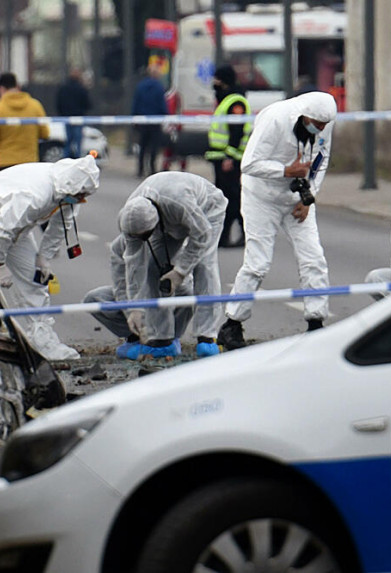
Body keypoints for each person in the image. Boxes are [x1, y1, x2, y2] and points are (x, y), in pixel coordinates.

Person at [217, 91, 337, 351]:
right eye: (317, 125)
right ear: (305, 115)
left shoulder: (325, 121)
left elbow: (322, 159)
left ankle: (316, 323)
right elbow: (248, 163)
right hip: (261, 197)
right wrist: (285, 171)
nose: (321, 130)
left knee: (314, 258)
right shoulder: (275, 118)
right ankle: (232, 324)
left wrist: (309, 197)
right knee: (258, 264)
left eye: (324, 126)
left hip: (296, 198)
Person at [0, 155, 101, 362]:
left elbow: (61, 224)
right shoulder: (34, 194)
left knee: (35, 280)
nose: (81, 200)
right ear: (70, 188)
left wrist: (44, 258)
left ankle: (42, 340)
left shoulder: (71, 191)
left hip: (14, 223)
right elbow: (2, 229)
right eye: (80, 195)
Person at [117, 172, 228, 358]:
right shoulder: (130, 219)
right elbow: (134, 264)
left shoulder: (179, 203)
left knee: (204, 266)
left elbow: (202, 235)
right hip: (167, 219)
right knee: (154, 269)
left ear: (154, 223)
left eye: (146, 234)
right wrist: (135, 307)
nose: (143, 240)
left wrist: (180, 272)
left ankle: (207, 338)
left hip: (207, 209)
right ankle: (162, 339)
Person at [83, 233, 194, 360]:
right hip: (136, 295)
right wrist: (133, 315)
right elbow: (120, 287)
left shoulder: (170, 242)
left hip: (164, 296)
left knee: (189, 293)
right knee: (93, 299)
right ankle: (135, 337)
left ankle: (170, 339)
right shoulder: (119, 247)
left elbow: (183, 285)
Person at [205, 64, 251, 248]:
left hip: (230, 159)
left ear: (224, 81)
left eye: (217, 79)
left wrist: (229, 157)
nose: (214, 83)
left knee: (232, 198)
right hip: (220, 157)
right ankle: (224, 236)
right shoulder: (226, 100)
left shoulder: (235, 102)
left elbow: (236, 132)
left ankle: (243, 233)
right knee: (225, 198)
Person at [0, 72, 50, 171]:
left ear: (1, 89)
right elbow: (45, 133)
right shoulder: (35, 105)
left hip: (5, 163)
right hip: (30, 162)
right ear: (17, 86)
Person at [131, 63, 168, 177]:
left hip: (142, 120)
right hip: (155, 121)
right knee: (153, 146)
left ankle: (140, 169)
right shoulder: (159, 87)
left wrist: (134, 117)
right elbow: (162, 105)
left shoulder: (140, 86)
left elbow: (136, 102)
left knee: (142, 145)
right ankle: (152, 168)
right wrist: (165, 115)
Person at [55, 67, 92, 159]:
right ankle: (78, 160)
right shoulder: (81, 89)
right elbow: (87, 104)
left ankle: (66, 160)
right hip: (79, 118)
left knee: (68, 141)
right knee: (78, 142)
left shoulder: (64, 88)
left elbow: (59, 102)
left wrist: (62, 114)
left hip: (67, 118)